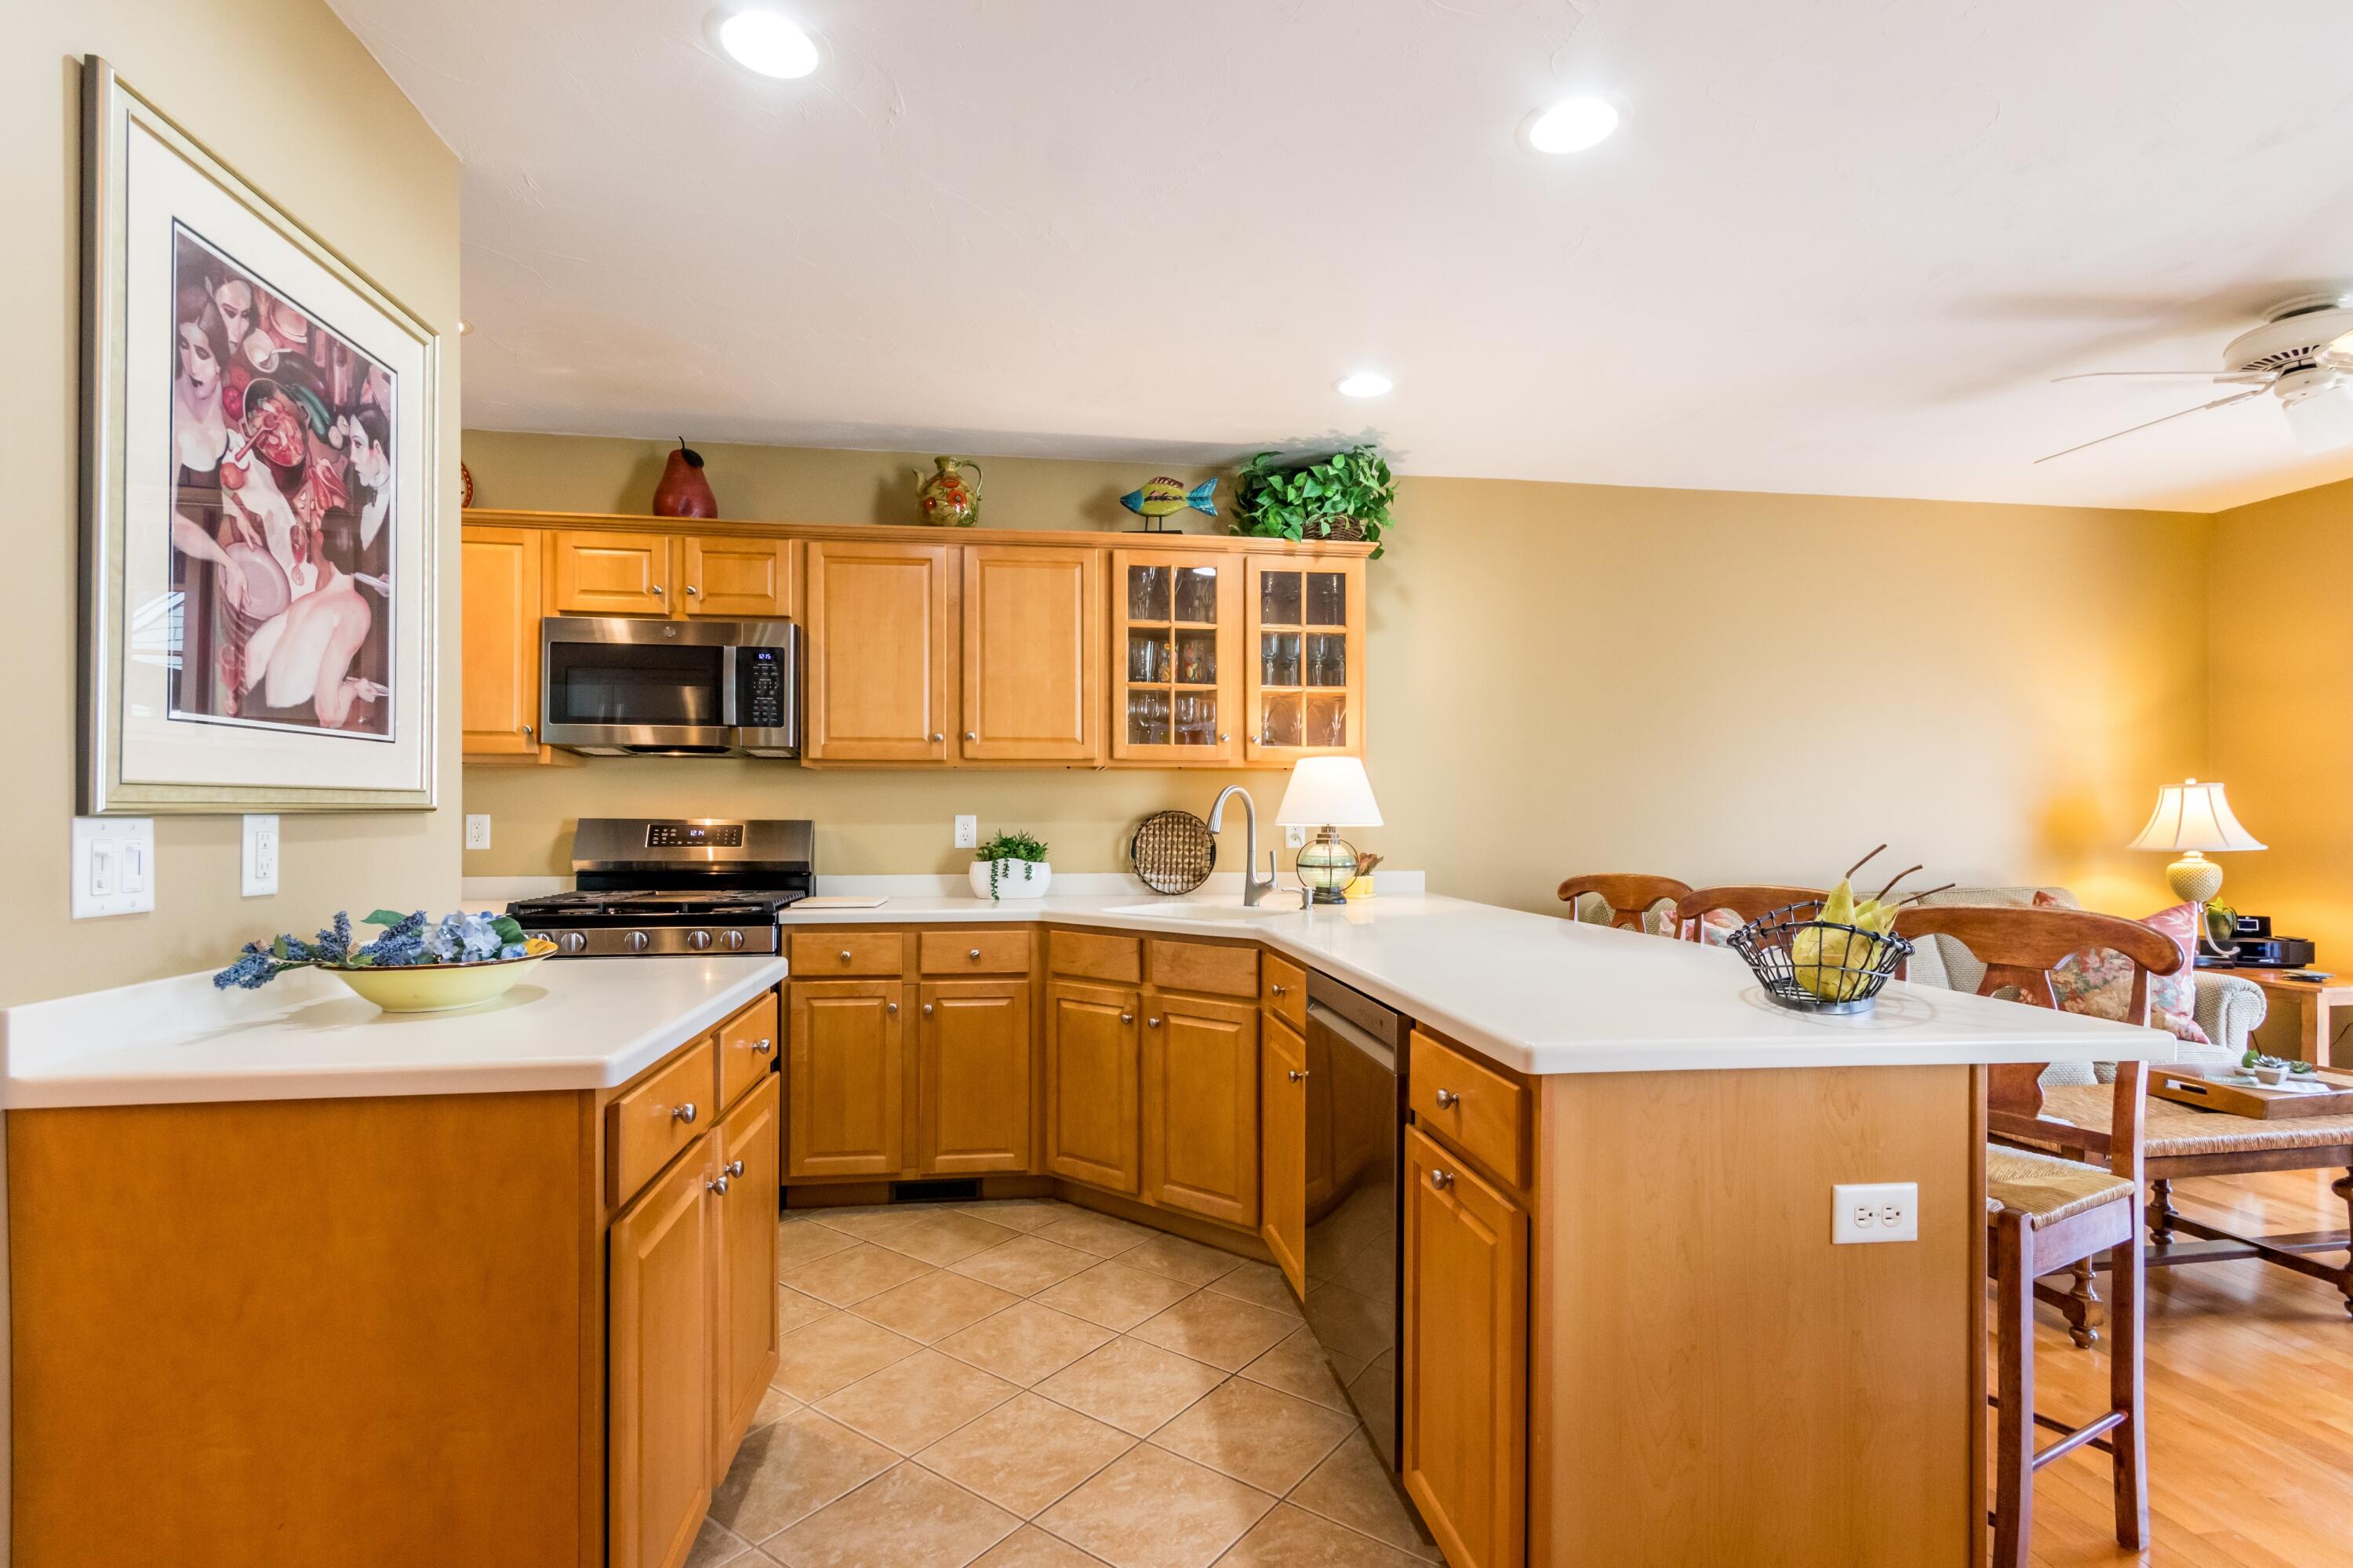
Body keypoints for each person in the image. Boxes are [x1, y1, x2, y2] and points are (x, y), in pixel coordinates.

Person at [241, 565, 385, 731]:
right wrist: (355, 689)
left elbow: (253, 652)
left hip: (254, 709)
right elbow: (329, 716)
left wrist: (244, 699)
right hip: (294, 722)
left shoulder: (304, 602)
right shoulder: (355, 610)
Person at [172, 295, 231, 484]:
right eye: (184, 346)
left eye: (202, 353)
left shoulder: (217, 386)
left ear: (219, 362)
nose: (193, 366)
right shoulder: (172, 426)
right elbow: (163, 511)